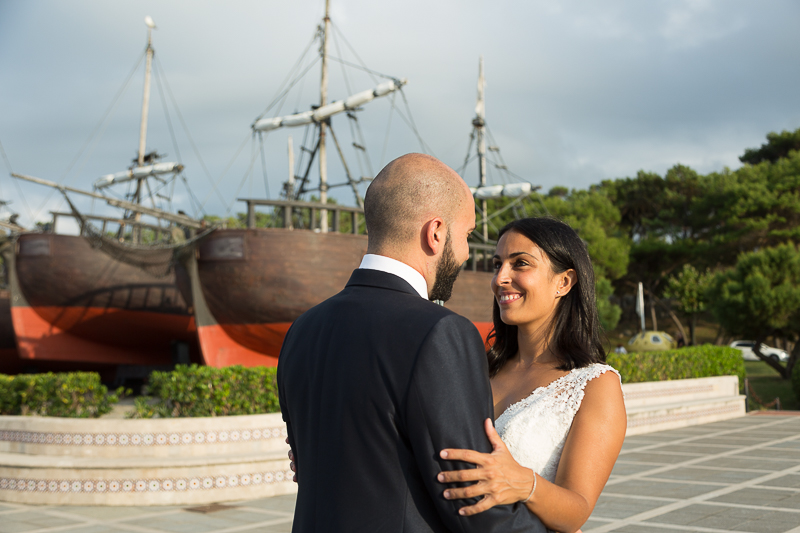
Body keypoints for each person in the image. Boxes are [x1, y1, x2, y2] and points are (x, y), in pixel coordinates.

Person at [277, 153, 542, 532]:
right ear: (435, 233)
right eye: (466, 235)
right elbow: (470, 498)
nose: (467, 253)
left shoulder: (303, 329)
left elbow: (305, 467)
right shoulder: (441, 333)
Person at [436, 218, 627, 533]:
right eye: (497, 264)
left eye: (520, 264)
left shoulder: (594, 385)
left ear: (563, 283)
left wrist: (524, 483)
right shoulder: (477, 367)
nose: (501, 278)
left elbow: (576, 510)